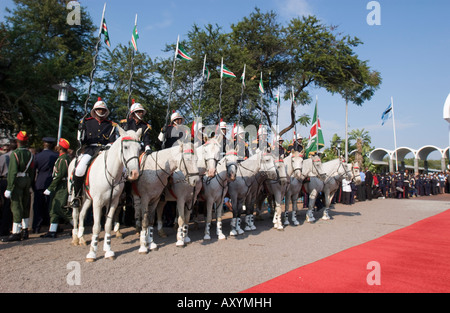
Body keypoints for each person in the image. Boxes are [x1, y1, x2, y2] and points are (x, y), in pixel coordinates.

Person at [72, 97, 117, 208]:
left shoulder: (111, 125)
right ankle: (76, 195)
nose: (101, 111)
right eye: (99, 109)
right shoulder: (86, 122)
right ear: (95, 110)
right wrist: (81, 131)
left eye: (103, 110)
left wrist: (107, 147)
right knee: (80, 169)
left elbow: (112, 141)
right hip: (90, 150)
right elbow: (81, 141)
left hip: (104, 150)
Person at [2, 131, 35, 242]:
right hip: (27, 179)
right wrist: (30, 182)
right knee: (25, 204)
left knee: (16, 205)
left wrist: (9, 187)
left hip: (18, 180)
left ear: (17, 141)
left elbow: (12, 172)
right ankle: (25, 230)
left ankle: (16, 232)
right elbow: (32, 170)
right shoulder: (30, 153)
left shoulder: (15, 153)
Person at [41, 138, 72, 238]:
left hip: (61, 186)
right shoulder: (61, 158)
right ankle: (52, 230)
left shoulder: (64, 159)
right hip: (58, 185)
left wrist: (50, 188)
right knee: (53, 208)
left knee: (61, 208)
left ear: (60, 148)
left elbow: (60, 175)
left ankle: (76, 225)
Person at [32, 137, 58, 233]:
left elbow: (33, 170)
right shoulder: (56, 155)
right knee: (50, 206)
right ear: (51, 145)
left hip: (40, 182)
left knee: (38, 206)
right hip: (51, 182)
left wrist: (33, 184)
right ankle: (51, 225)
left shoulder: (38, 156)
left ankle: (36, 227)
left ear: (44, 144)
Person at [0, 140, 16, 236]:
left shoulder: (3, 157)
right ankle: (8, 228)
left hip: (4, 180)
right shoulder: (18, 156)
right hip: (14, 181)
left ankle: (3, 229)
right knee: (10, 206)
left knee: (4, 206)